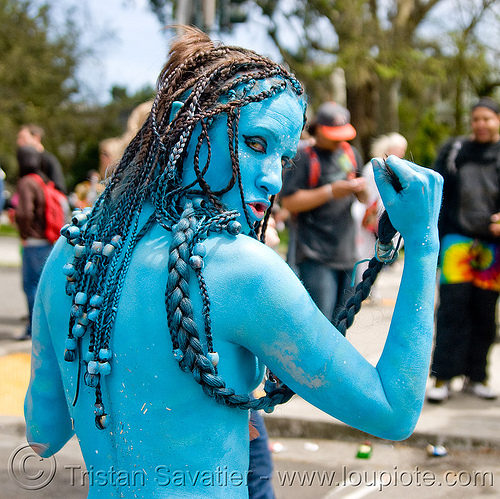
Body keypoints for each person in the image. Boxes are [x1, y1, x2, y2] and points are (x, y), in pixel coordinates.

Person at [25, 27, 443, 498]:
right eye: (255, 144)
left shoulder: (75, 248)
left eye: (284, 161)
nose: (270, 180)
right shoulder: (238, 268)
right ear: (186, 126)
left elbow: (42, 434)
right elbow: (392, 410)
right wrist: (425, 243)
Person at [427, 96, 500, 403]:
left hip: (491, 246)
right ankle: (442, 376)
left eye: (487, 118)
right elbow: (434, 189)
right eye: (476, 119)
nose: (481, 124)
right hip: (457, 242)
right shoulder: (455, 150)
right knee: (451, 310)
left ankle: (477, 375)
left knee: (484, 311)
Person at [280, 102, 369, 326]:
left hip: (347, 253)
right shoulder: (303, 158)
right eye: (333, 134)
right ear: (318, 128)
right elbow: (289, 202)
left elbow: (364, 198)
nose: (339, 140)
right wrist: (330, 191)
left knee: (341, 324)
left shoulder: (350, 153)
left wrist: (361, 189)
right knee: (320, 324)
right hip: (314, 254)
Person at [353, 133, 408, 285]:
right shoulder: (373, 168)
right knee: (366, 253)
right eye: (398, 149)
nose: (401, 153)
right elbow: (369, 196)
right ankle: (362, 285)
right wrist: (370, 214)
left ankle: (371, 286)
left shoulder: (396, 170)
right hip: (368, 215)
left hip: (381, 217)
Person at [14, 146, 54, 340]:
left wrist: (23, 232)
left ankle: (33, 329)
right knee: (42, 286)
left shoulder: (26, 182)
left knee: (31, 286)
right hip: (47, 240)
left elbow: (23, 213)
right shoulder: (42, 180)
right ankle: (44, 328)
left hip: (33, 242)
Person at [17, 123, 67, 194]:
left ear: (36, 137)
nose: (19, 142)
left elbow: (60, 189)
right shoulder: (24, 161)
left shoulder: (50, 160)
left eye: (23, 138)